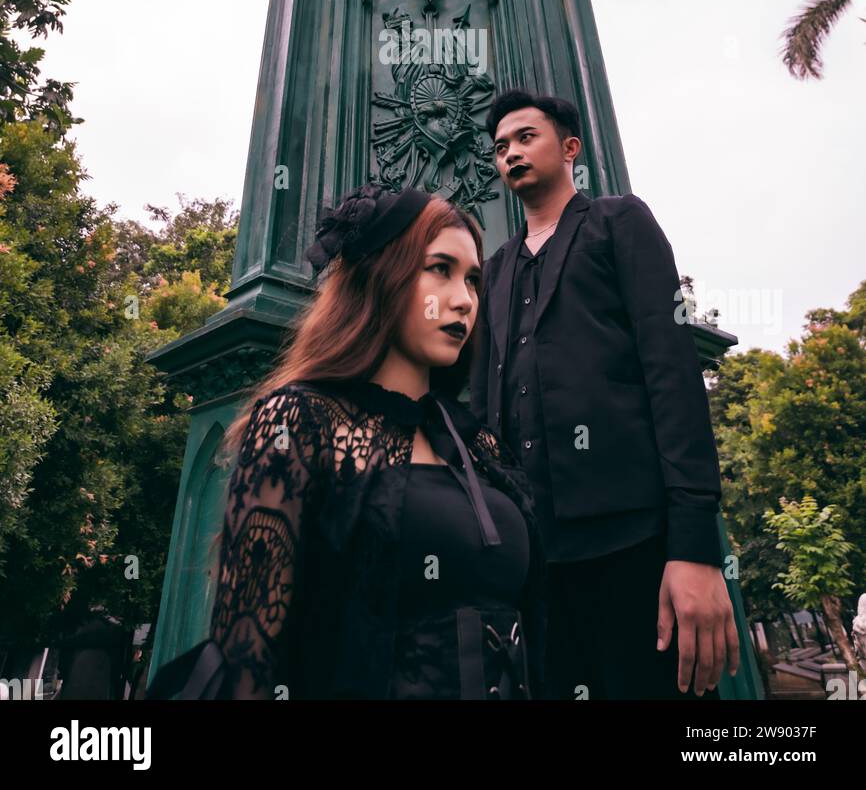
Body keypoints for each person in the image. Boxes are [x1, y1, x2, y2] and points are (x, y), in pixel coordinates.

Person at [146, 183, 547, 701]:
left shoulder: (481, 447)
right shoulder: (300, 421)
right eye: (439, 269)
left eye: (473, 279)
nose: (464, 299)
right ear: (384, 276)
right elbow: (250, 659)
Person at [470, 88, 740, 701]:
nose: (510, 152)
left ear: (570, 148)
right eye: (500, 146)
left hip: (635, 542)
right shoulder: (495, 269)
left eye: (525, 137)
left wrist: (693, 548)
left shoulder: (620, 222)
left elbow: (671, 375)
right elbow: (484, 408)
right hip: (535, 558)